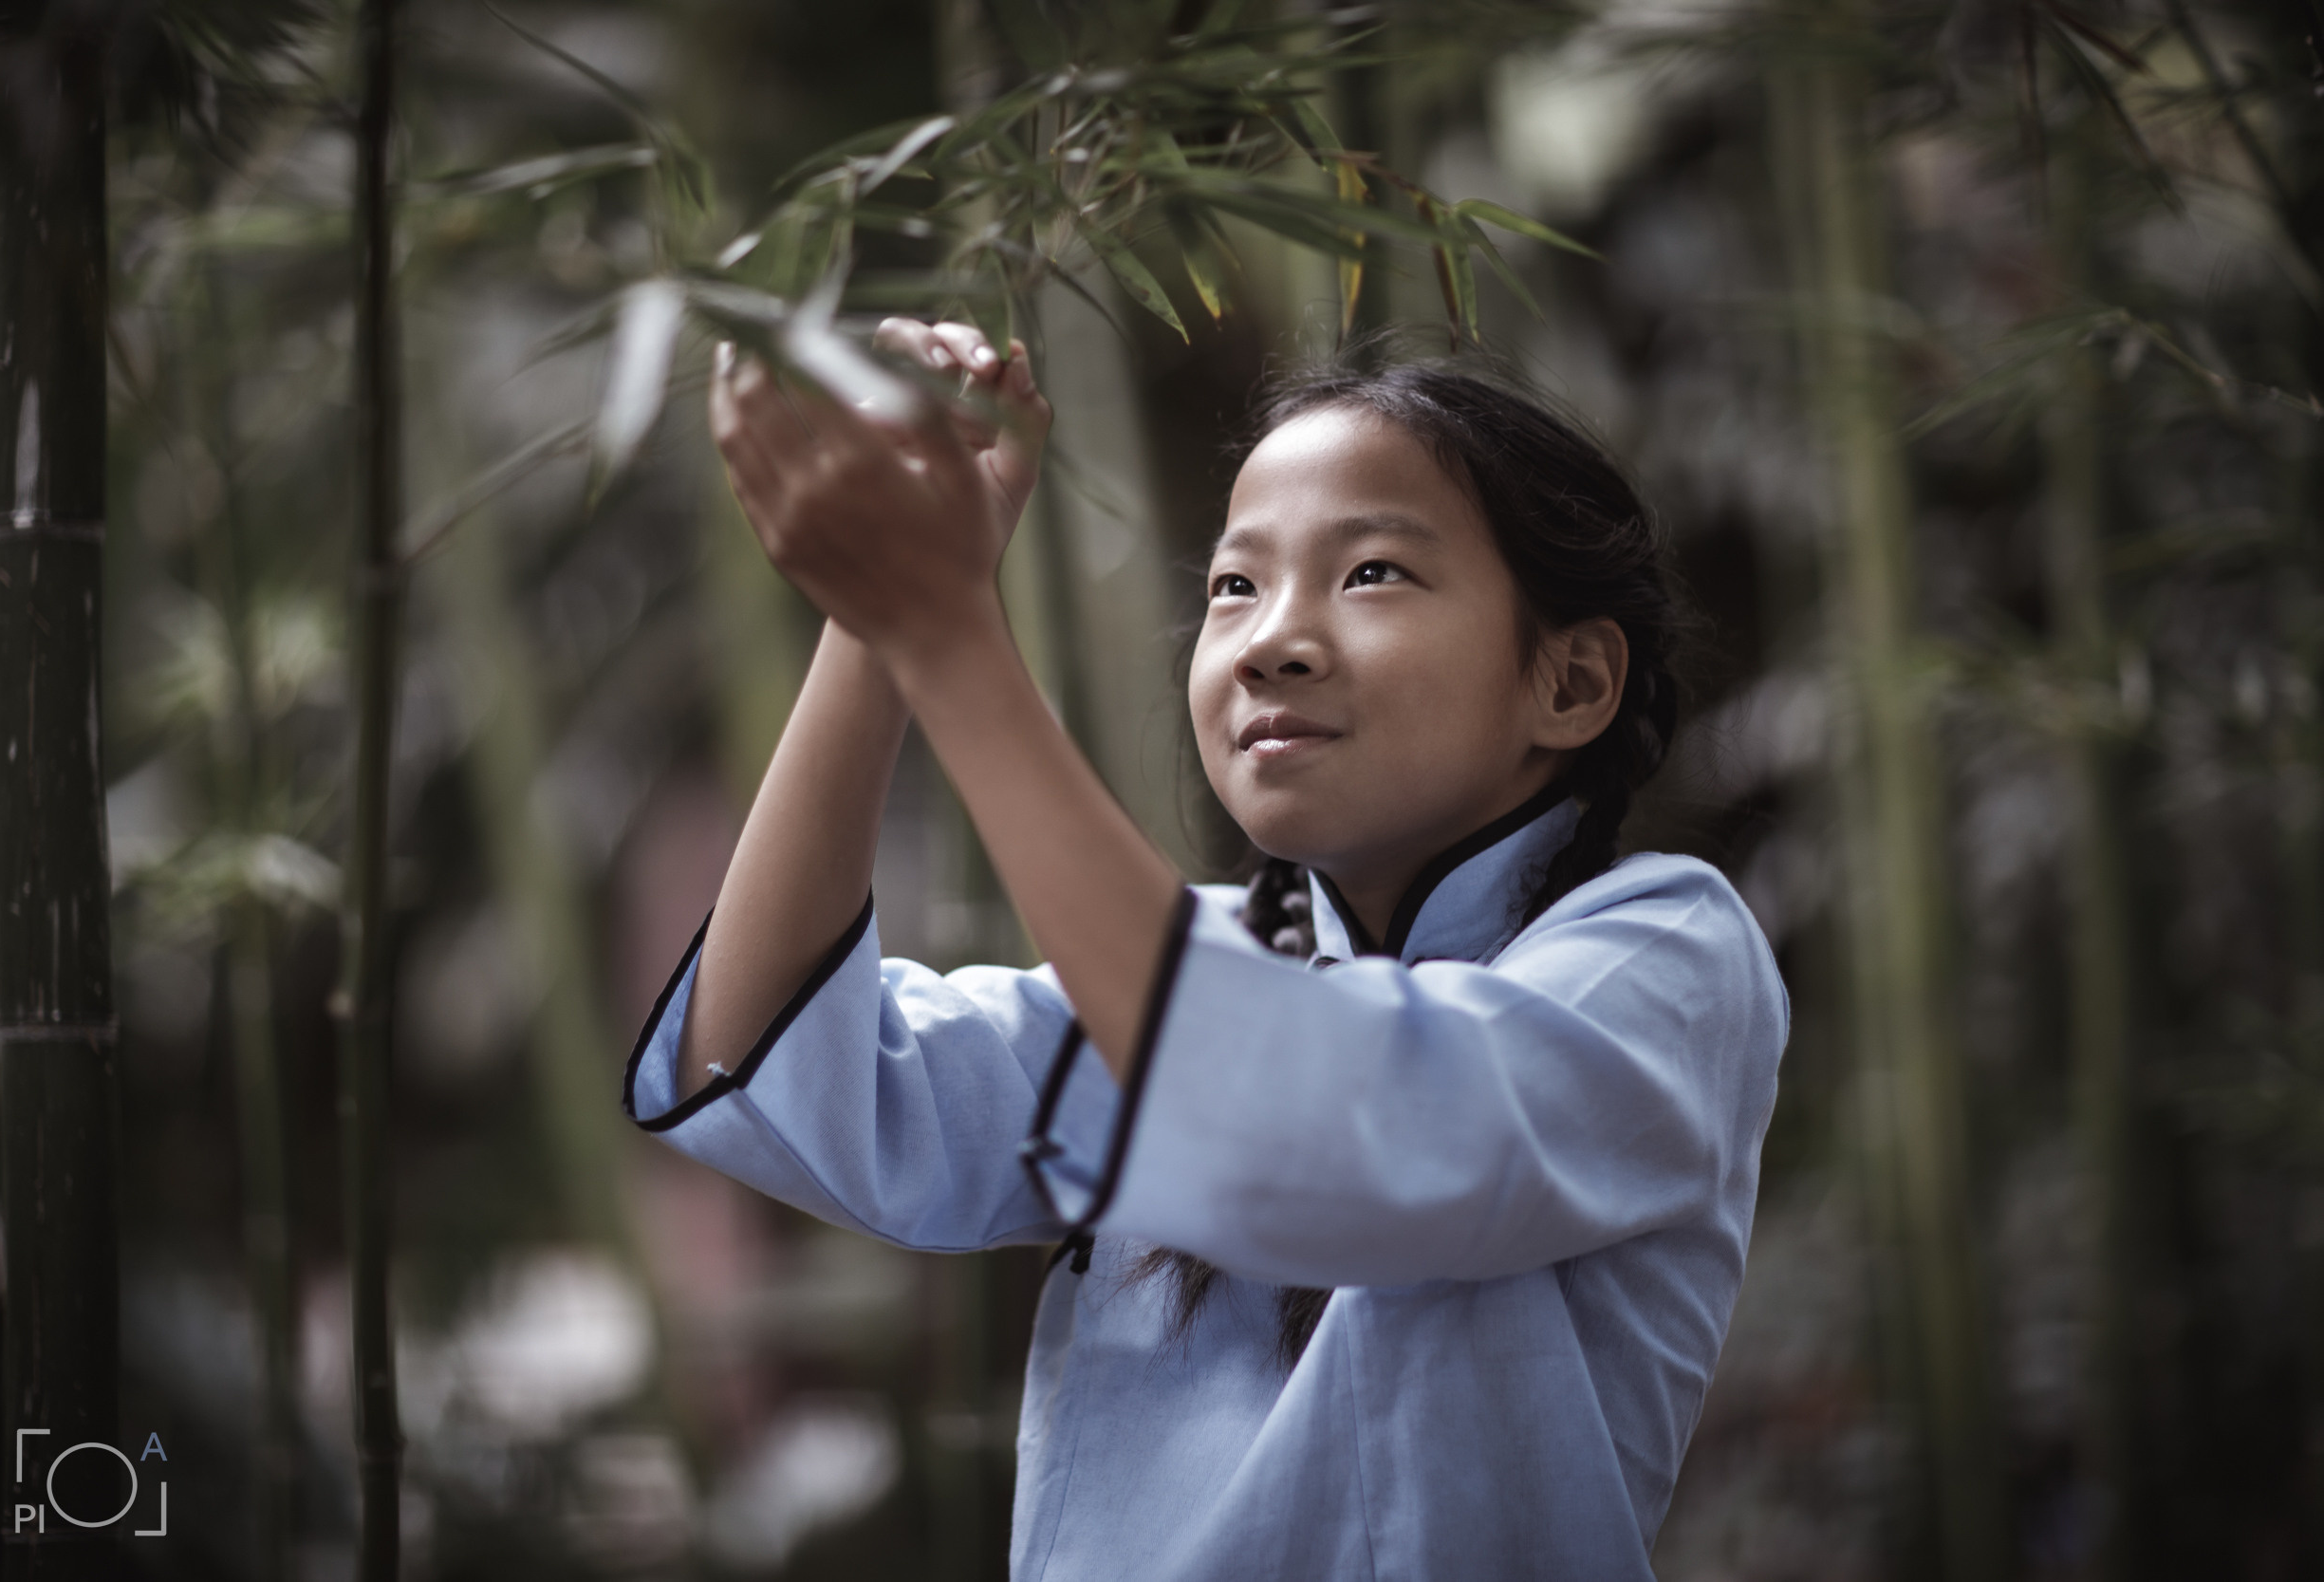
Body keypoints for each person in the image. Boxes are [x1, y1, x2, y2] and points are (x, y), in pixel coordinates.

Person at [621, 318, 1788, 1580]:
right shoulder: (1188, 968)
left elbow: (1346, 1135)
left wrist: (951, 633)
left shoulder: (1662, 955)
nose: (1273, 638)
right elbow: (769, 1066)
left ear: (1570, 683)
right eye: (1236, 583)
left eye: (1374, 573)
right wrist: (881, 620)